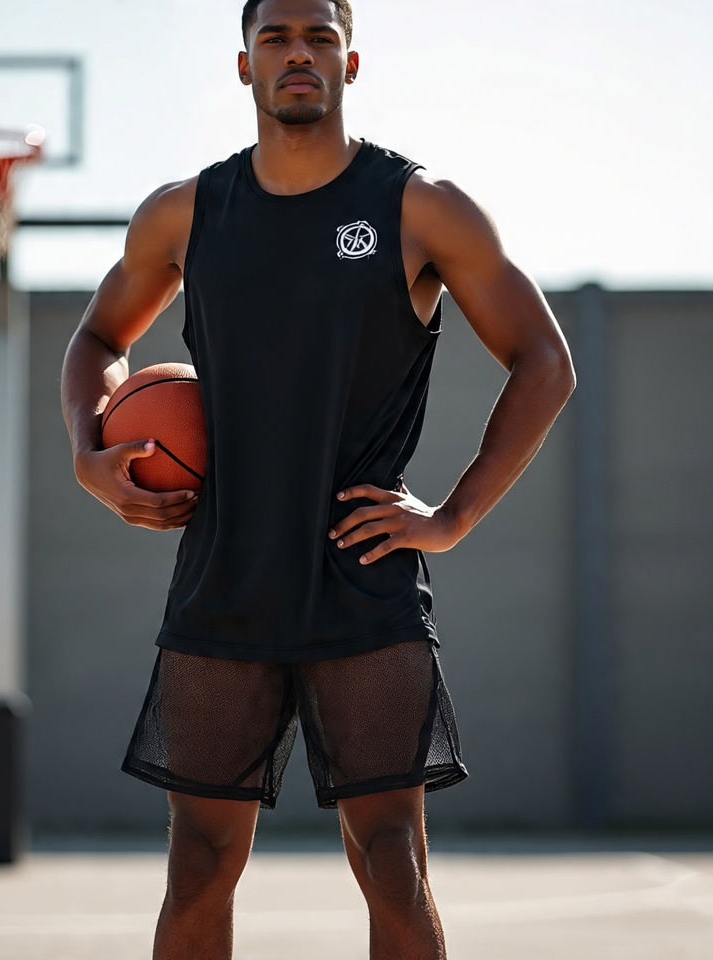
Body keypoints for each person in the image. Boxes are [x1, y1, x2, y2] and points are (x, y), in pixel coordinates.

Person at [60, 0, 576, 956]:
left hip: (361, 577)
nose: (297, 53)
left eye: (318, 38)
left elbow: (546, 359)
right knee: (198, 870)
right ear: (244, 65)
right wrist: (91, 457)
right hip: (225, 578)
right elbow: (97, 337)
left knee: (392, 864)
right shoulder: (187, 213)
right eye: (275, 38)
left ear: (351, 61)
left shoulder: (419, 206)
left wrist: (455, 515)